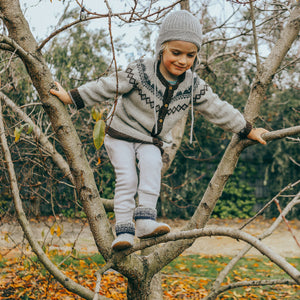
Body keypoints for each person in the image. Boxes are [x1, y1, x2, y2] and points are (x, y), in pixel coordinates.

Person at [50, 10, 268, 251]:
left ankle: (144, 222)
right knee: (128, 178)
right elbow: (108, 85)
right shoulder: (141, 71)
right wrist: (71, 97)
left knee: (153, 167)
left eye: (190, 55)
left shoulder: (193, 84)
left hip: (150, 140)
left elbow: (217, 108)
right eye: (176, 53)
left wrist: (246, 129)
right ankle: (123, 231)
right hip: (120, 133)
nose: (183, 61)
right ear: (161, 48)